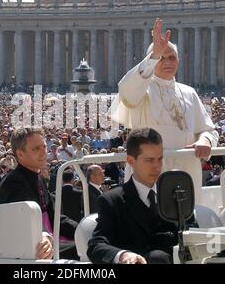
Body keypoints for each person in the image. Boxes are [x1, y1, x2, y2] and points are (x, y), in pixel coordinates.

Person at [110, 18, 218, 204]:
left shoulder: (189, 92)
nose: (167, 62)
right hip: (149, 170)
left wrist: (205, 140)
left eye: (172, 57)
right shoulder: (142, 88)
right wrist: (153, 57)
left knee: (186, 223)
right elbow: (126, 91)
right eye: (161, 57)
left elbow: (208, 129)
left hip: (187, 171)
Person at [87, 128, 178, 264]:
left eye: (160, 159)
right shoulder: (112, 201)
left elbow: (192, 232)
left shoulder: (174, 194)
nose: (157, 167)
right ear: (131, 160)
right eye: (149, 160)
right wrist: (123, 256)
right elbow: (96, 245)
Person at [0, 128, 78, 260]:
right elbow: (21, 222)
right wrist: (44, 235)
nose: (43, 153)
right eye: (36, 149)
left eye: (44, 147)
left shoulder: (38, 177)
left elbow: (54, 217)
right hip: (29, 248)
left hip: (47, 239)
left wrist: (81, 229)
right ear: (20, 154)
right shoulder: (13, 183)